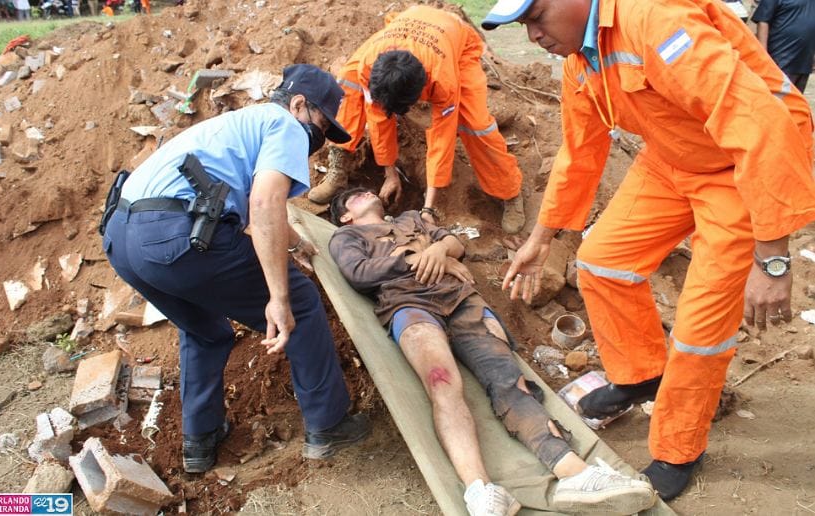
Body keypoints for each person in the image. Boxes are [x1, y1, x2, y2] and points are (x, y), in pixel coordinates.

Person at [482, 0, 815, 501]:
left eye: (536, 18)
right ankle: (642, 375)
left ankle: (679, 449)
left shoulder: (657, 24)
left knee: (700, 330)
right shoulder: (582, 62)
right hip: (674, 156)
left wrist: (771, 258)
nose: (533, 37)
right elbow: (579, 154)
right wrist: (540, 239)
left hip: (737, 165)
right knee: (601, 264)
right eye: (522, 25)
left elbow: (756, 124)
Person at [101, 64, 370, 473]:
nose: (319, 138)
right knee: (300, 302)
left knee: (205, 330)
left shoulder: (241, 123)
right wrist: (279, 298)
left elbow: (241, 210)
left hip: (123, 238)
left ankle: (200, 438)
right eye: (321, 122)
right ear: (299, 104)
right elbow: (264, 205)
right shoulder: (286, 126)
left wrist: (294, 243)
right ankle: (328, 424)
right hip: (174, 235)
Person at [328, 187, 657, 516]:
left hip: (462, 301)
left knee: (510, 380)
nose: (366, 192)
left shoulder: (411, 218)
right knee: (442, 383)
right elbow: (359, 274)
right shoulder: (346, 237)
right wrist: (421, 257)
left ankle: (575, 473)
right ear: (346, 216)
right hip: (409, 306)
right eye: (355, 196)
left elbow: (457, 244)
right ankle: (481, 490)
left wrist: (441, 250)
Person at [308, 5, 527, 234]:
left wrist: (428, 208)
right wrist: (390, 173)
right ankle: (339, 167)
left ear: (422, 91)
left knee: (476, 125)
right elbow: (379, 120)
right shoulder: (369, 67)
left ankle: (509, 192)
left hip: (454, 40)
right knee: (347, 84)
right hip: (405, 26)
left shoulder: (443, 81)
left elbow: (442, 139)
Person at [752, 0, 815, 93]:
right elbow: (763, 21)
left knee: (797, 100)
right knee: (777, 99)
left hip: (804, 60)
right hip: (781, 57)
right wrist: (763, 53)